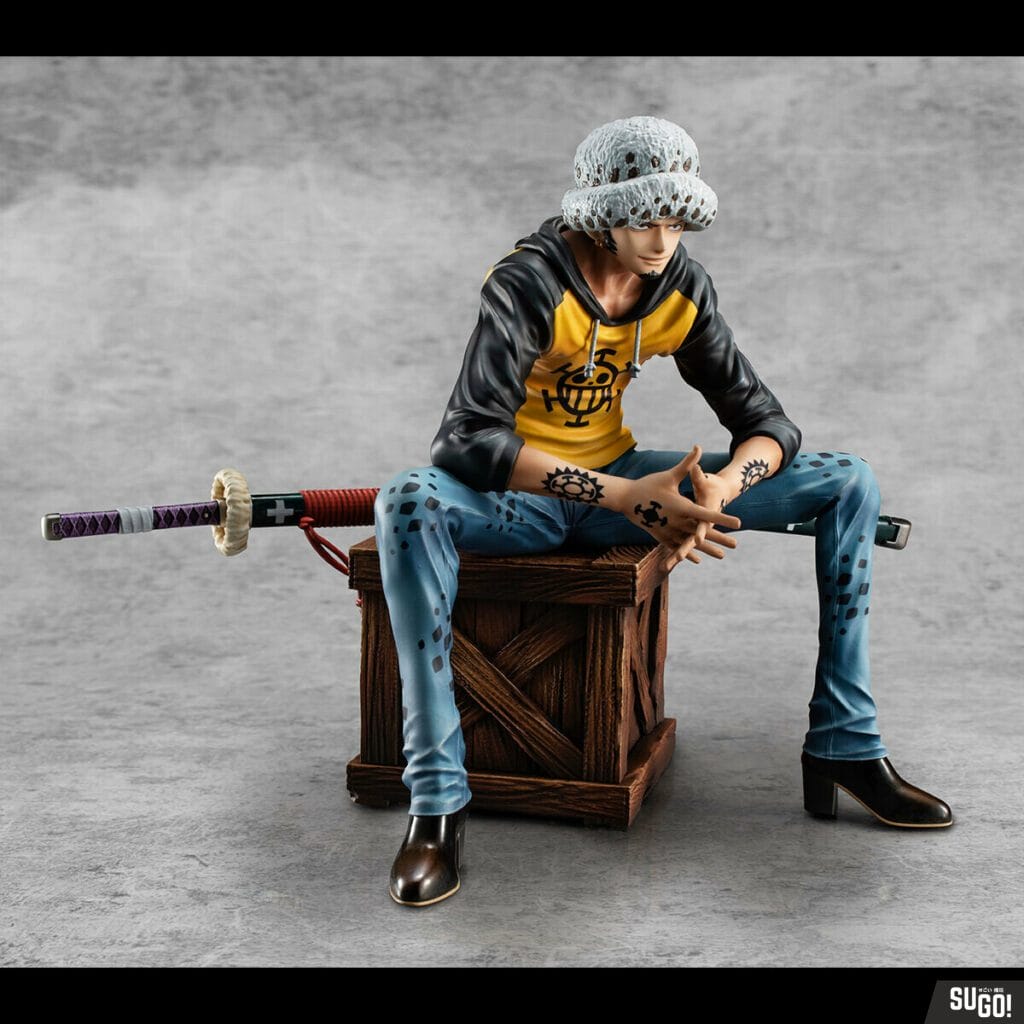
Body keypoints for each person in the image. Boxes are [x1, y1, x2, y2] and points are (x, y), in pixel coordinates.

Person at [373, 115, 952, 908]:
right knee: (406, 499)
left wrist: (724, 488)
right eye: (646, 218)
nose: (661, 240)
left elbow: (768, 423)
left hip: (623, 484)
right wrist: (624, 497)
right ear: (600, 214)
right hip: (520, 501)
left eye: (676, 221)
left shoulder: (681, 285)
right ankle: (437, 799)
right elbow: (466, 440)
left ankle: (845, 746)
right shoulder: (529, 282)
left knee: (849, 479)